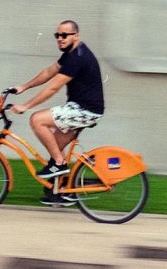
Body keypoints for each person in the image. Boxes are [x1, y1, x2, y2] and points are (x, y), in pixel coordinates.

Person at [9, 20, 104, 206]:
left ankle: (60, 166)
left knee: (37, 120)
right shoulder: (72, 53)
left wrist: (26, 106)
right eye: (57, 35)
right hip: (80, 107)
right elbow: (49, 72)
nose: (60, 39)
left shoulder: (77, 57)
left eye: (64, 35)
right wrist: (23, 87)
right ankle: (62, 191)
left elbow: (53, 88)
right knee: (55, 147)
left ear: (76, 36)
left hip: (85, 110)